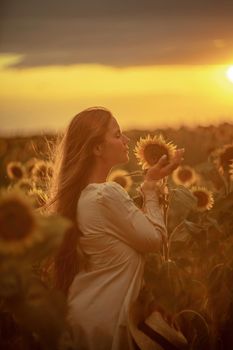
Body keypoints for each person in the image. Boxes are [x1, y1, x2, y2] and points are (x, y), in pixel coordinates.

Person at [46, 106, 184, 350]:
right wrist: (151, 188)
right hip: (110, 324)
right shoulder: (105, 194)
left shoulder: (78, 197)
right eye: (118, 135)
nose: (126, 140)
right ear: (98, 148)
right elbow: (154, 239)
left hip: (86, 315)